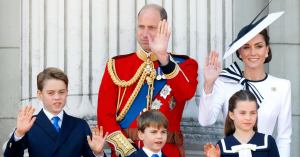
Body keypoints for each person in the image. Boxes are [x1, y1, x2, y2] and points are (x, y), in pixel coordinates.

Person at [97, 4, 198, 157]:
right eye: (141, 27)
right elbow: (105, 117)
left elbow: (186, 93)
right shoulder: (117, 66)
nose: (145, 33)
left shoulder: (184, 65)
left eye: (151, 27)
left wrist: (164, 58)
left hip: (167, 152)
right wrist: (128, 152)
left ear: (164, 28)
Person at [198, 11, 291, 157]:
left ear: (267, 50)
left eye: (259, 46)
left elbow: (284, 138)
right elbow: (205, 121)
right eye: (246, 47)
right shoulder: (225, 82)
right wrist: (209, 84)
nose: (252, 52)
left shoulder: (282, 86)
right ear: (239, 52)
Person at [4, 67, 107, 157]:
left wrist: (98, 153)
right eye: (51, 93)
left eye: (61, 92)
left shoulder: (80, 125)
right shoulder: (30, 123)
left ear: (67, 93)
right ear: (40, 94)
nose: (57, 97)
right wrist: (19, 134)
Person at [204, 90, 280, 157]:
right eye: (242, 113)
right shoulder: (222, 146)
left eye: (252, 113)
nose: (248, 118)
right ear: (232, 115)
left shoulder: (268, 142)